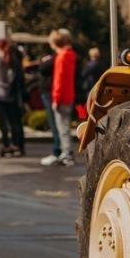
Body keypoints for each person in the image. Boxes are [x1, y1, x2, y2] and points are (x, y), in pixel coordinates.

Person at [0, 38, 26, 157]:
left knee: (3, 123)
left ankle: (6, 145)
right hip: (12, 95)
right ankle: (17, 145)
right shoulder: (15, 61)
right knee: (15, 122)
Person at [47, 28, 77, 167]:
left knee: (62, 127)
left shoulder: (61, 57)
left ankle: (67, 153)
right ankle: (67, 152)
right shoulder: (70, 55)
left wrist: (55, 98)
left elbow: (58, 80)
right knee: (65, 126)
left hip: (61, 96)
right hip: (69, 94)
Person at [38, 41, 62, 166]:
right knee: (58, 125)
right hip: (52, 93)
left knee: (57, 125)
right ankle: (60, 151)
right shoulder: (60, 57)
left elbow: (42, 68)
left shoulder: (56, 58)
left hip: (51, 93)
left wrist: (56, 98)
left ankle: (58, 152)